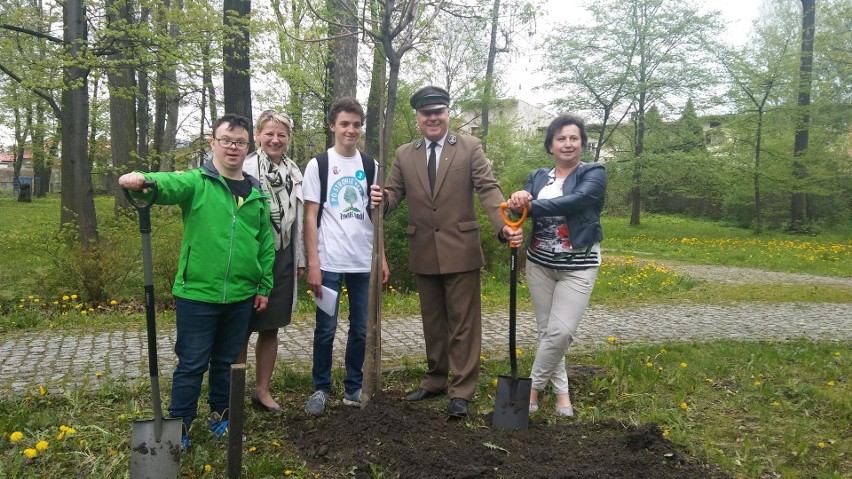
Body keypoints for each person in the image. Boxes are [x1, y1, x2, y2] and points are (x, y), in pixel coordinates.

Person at [118, 113, 274, 449]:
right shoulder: (198, 182)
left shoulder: (256, 193)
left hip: (241, 295)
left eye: (240, 142)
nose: (233, 147)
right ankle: (181, 426)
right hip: (197, 294)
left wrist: (263, 286)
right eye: (226, 141)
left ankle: (222, 417)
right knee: (191, 363)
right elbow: (169, 184)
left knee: (227, 362)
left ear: (248, 146)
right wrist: (143, 178)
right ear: (213, 143)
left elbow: (265, 244)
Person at [370, 85, 523, 418]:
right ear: (418, 118)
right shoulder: (404, 154)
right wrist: (379, 200)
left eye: (438, 112)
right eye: (426, 114)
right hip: (423, 249)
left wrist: (505, 225)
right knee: (433, 321)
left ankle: (462, 390)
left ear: (447, 114)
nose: (433, 118)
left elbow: (488, 187)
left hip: (461, 249)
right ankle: (435, 379)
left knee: (463, 324)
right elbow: (394, 195)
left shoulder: (469, 147)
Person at [505, 114, 607, 417]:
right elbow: (517, 211)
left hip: (579, 265)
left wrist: (531, 206)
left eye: (574, 138)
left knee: (561, 332)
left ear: (582, 144)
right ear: (551, 145)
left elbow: (576, 201)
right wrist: (519, 198)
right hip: (539, 265)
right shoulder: (538, 176)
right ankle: (562, 393)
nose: (568, 144)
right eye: (561, 138)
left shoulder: (594, 173)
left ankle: (532, 390)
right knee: (547, 332)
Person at [302, 97, 389, 416]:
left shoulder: (371, 166)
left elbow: (375, 215)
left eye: (356, 124)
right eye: (344, 124)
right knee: (325, 329)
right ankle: (321, 388)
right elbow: (310, 216)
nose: (351, 130)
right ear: (332, 126)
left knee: (361, 328)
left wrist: (382, 258)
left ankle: (353, 385)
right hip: (329, 263)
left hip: (363, 262)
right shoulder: (319, 165)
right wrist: (314, 264)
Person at [237, 109, 305, 413]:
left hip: (283, 256)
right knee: (240, 326)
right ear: (258, 135)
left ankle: (262, 391)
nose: (275, 140)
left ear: (288, 138)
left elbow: (298, 221)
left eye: (281, 134)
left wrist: (300, 258)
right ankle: (232, 394)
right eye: (269, 133)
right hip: (249, 258)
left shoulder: (294, 171)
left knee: (271, 326)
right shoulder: (246, 168)